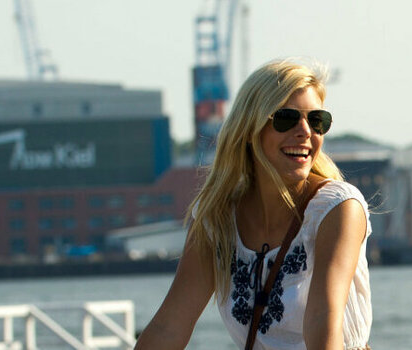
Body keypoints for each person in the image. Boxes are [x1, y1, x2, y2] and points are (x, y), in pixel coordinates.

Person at [134, 58, 373, 350]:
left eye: (317, 120)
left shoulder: (337, 208)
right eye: (286, 118)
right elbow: (169, 327)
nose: (305, 131)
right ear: (250, 129)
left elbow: (322, 320)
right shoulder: (216, 218)